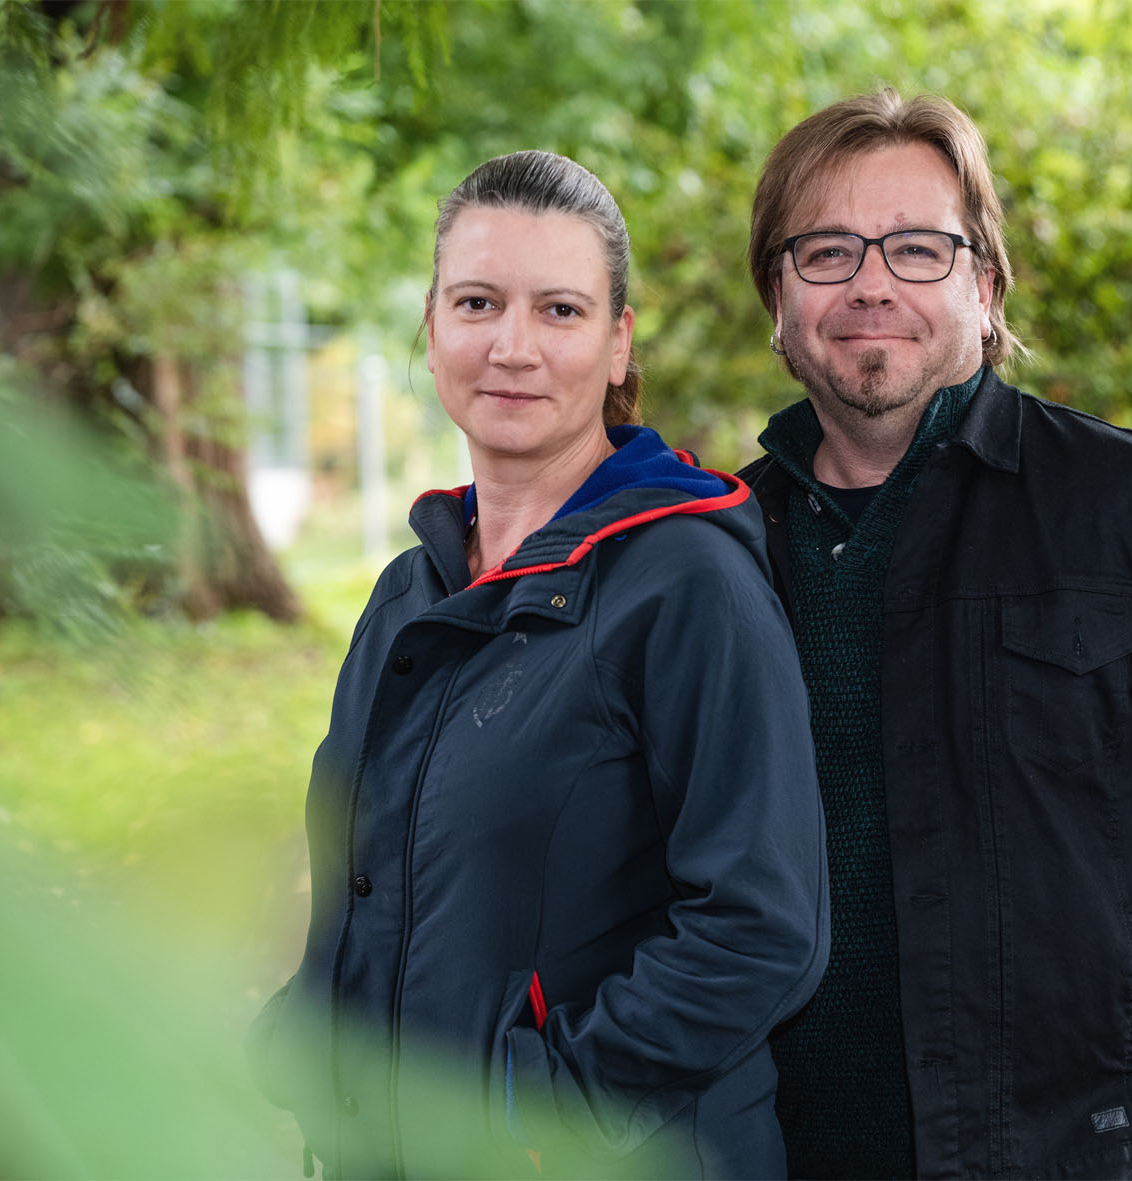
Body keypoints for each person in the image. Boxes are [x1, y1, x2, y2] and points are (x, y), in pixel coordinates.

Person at [738, 90, 1132, 1179]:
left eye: (916, 248)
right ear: (776, 299)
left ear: (985, 284)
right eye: (824, 251)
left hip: (1068, 1152)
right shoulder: (720, 547)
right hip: (773, 1150)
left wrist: (1084, 953)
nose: (870, 282)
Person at [246, 150, 828, 1180]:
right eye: (477, 302)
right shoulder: (407, 592)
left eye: (559, 310)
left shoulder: (687, 584)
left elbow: (761, 924)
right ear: (429, 331)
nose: (511, 345)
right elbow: (371, 871)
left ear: (616, 345)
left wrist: (535, 1107)